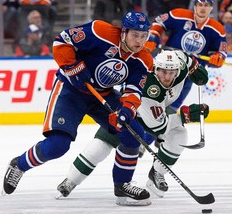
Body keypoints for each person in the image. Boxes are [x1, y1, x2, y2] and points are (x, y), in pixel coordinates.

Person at [2, 11, 154, 206]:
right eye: (135, 35)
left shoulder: (143, 59)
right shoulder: (100, 31)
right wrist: (73, 67)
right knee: (58, 145)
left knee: (133, 133)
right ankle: (19, 165)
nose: (139, 41)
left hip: (102, 95)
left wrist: (126, 111)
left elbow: (133, 91)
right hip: (70, 90)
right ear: (123, 32)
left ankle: (122, 184)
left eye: (144, 36)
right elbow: (62, 41)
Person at [55, 50, 209, 199]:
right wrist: (186, 115)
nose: (168, 77)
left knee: (180, 134)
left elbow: (186, 58)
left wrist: (196, 68)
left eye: (171, 72)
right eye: (163, 72)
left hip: (157, 110)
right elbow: (158, 128)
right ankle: (70, 180)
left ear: (179, 69)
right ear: (156, 69)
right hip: (132, 111)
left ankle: (157, 174)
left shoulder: (180, 62)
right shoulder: (150, 89)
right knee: (101, 145)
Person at [145, 0, 227, 112]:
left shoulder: (217, 29)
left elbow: (221, 52)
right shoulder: (179, 15)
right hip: (166, 68)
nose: (203, 8)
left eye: (206, 5)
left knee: (169, 111)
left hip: (189, 73)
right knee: (151, 103)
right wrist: (154, 34)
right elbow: (159, 22)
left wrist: (217, 58)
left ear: (211, 8)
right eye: (200, 4)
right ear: (195, 6)